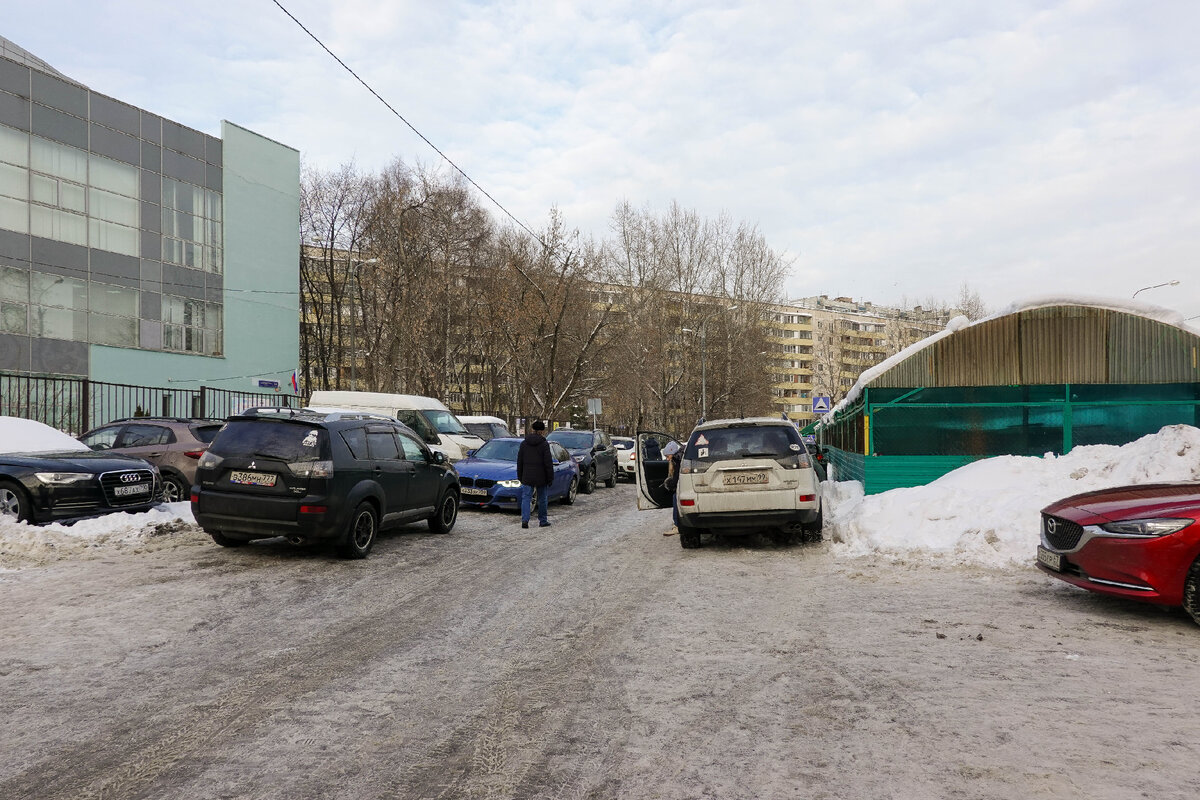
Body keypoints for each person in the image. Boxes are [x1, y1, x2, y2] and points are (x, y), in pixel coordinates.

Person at [516, 419, 554, 529]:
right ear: (542, 431)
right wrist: (550, 477)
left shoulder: (524, 443)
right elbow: (548, 463)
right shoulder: (544, 444)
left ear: (532, 430)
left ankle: (525, 520)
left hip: (527, 475)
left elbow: (520, 461)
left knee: (526, 498)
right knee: (542, 499)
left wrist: (520, 475)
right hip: (541, 476)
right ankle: (542, 520)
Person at [661, 439, 682, 535]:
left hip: (682, 486)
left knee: (675, 498)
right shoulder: (678, 458)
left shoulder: (677, 460)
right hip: (682, 485)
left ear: (672, 452)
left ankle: (677, 525)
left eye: (667, 456)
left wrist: (671, 484)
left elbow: (677, 476)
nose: (667, 458)